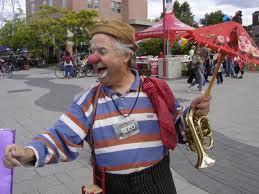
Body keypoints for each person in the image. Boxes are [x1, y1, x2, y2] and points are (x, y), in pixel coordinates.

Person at [3, 20, 211, 194]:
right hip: (112, 187)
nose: (92, 58)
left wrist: (192, 115)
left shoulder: (155, 90)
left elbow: (176, 129)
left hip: (158, 183)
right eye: (92, 51)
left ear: (126, 55)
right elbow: (60, 136)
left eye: (102, 51)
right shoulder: (89, 100)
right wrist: (29, 152)